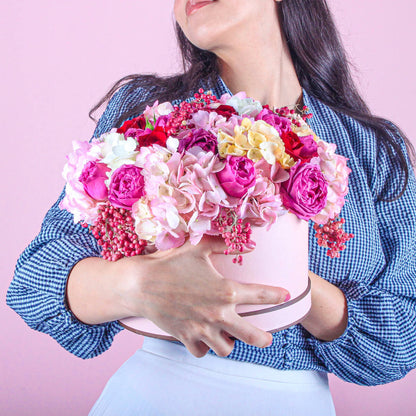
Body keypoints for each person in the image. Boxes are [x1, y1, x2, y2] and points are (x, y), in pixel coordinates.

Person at [6, 0, 416, 414]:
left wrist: (285, 286)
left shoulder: (374, 148)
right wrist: (140, 285)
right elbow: (37, 280)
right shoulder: (150, 114)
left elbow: (400, 340)